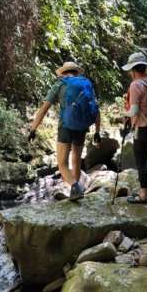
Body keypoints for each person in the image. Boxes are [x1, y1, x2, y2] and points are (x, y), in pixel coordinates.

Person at [27, 61, 101, 200]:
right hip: (82, 128)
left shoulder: (59, 84)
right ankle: (77, 191)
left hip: (65, 128)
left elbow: (43, 110)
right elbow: (96, 108)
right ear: (76, 72)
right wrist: (97, 131)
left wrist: (33, 129)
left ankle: (76, 187)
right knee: (76, 161)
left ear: (62, 73)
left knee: (62, 163)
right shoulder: (86, 84)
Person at [121, 51, 147, 204]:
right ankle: (144, 191)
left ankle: (143, 195)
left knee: (141, 163)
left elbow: (134, 110)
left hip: (141, 127)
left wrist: (123, 115)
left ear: (132, 70)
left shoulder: (136, 84)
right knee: (143, 161)